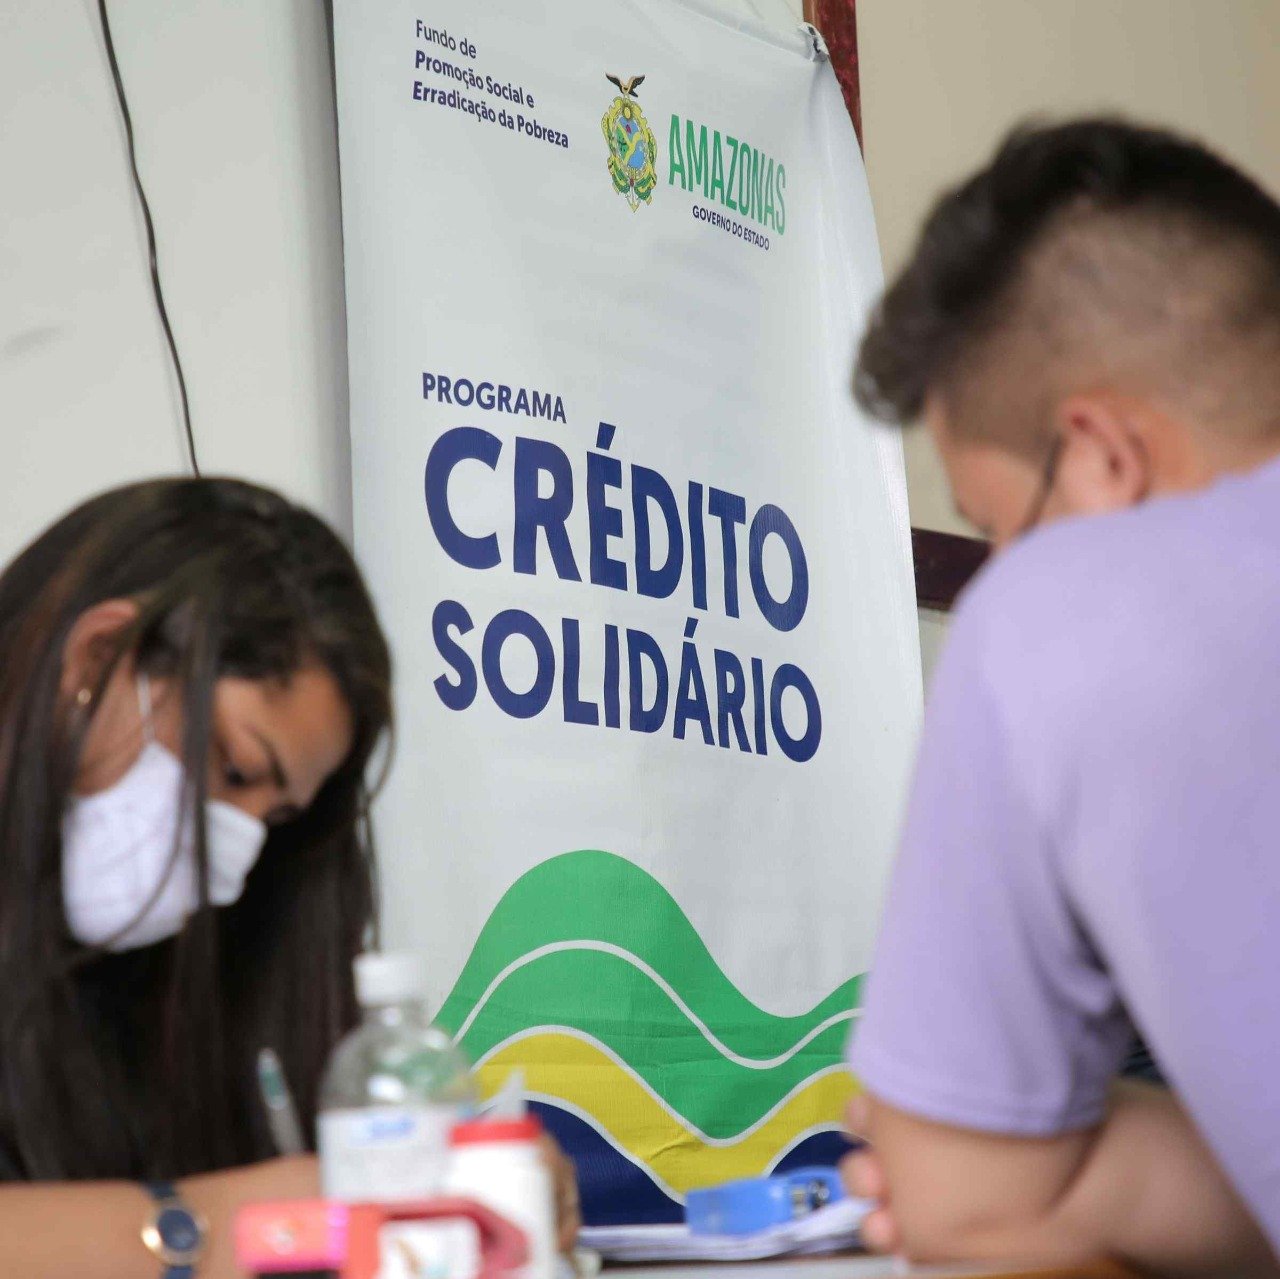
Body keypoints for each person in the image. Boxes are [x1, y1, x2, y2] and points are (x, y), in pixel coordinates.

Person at [839, 119, 1280, 1275]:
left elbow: (958, 1202)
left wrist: (1018, 1143)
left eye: (1000, 524)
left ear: (1099, 455)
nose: (1003, 570)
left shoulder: (1063, 611)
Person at [0, 477, 578, 1276]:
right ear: (97, 658)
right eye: (235, 768)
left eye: (272, 819)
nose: (232, 867)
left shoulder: (177, 970)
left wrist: (460, 1188)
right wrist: (205, 1226)